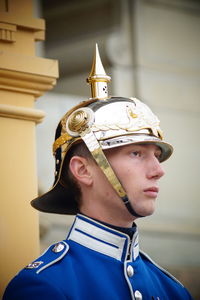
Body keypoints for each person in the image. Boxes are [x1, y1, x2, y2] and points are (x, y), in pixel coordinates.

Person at [3, 45, 193, 300]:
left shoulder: (174, 290)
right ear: (83, 170)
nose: (158, 171)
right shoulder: (44, 287)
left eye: (156, 156)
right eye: (136, 154)